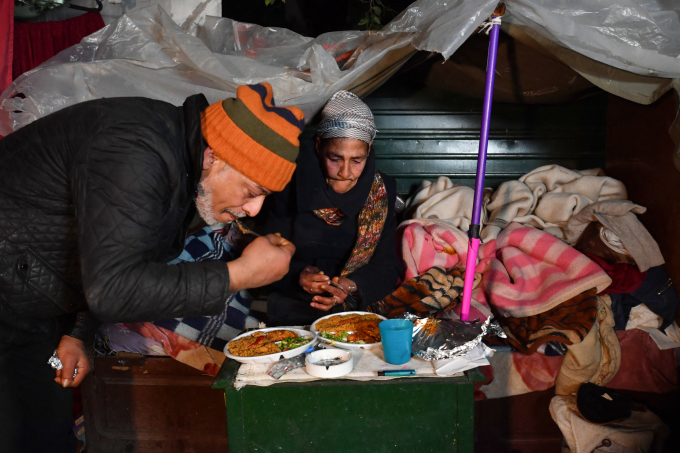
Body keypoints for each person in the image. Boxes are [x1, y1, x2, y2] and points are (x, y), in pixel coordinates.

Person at [0, 82, 301, 452]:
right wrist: (238, 274)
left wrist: (78, 332)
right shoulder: (135, 150)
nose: (253, 210)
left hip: (31, 306)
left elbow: (118, 254)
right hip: (10, 296)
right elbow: (113, 288)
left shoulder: (181, 166)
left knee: (44, 438)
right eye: (253, 192)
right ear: (215, 156)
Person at [262, 91, 402, 325]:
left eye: (357, 160)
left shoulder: (381, 192)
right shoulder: (289, 182)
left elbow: (388, 266)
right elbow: (267, 253)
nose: (345, 173)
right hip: (293, 301)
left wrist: (350, 286)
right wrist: (299, 276)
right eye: (335, 158)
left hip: (356, 304)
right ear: (318, 146)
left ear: (368, 149)